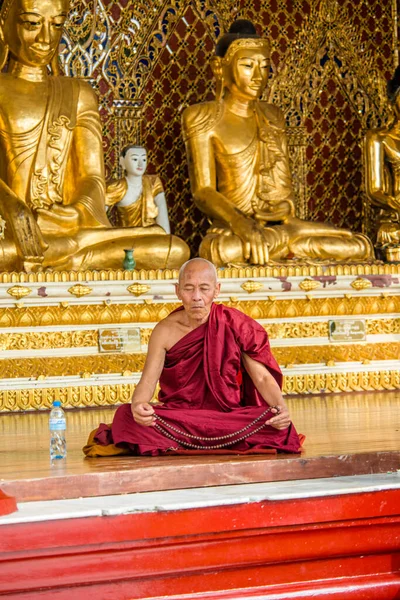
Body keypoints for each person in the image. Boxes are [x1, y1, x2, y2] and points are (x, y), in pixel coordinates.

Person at [0, 0, 189, 271]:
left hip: (71, 233)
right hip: (11, 234)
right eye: (31, 24)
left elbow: (91, 178)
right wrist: (11, 208)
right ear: (4, 27)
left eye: (56, 25)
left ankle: (72, 261)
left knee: (171, 247)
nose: (45, 38)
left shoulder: (78, 93)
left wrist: (75, 213)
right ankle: (70, 260)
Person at [182, 20, 373, 266]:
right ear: (220, 68)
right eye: (248, 66)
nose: (259, 76)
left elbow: (283, 190)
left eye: (264, 66)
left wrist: (284, 208)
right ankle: (287, 241)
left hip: (279, 230)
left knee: (358, 245)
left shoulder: (273, 116)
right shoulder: (201, 117)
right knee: (220, 250)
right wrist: (242, 223)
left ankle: (293, 239)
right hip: (235, 233)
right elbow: (203, 191)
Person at [84, 258, 303, 457]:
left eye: (204, 288)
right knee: (126, 416)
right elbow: (148, 381)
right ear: (178, 291)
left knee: (274, 422)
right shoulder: (165, 330)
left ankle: (185, 442)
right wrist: (139, 406)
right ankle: (215, 442)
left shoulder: (233, 324)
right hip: (180, 416)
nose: (197, 297)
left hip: (226, 417)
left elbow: (262, 378)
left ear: (216, 290)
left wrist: (281, 408)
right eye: (189, 289)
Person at [364, 65, 400, 254]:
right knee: (389, 233)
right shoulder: (379, 138)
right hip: (395, 216)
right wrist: (396, 204)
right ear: (393, 101)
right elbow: (374, 190)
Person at [106, 145, 171, 233]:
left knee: (176, 245)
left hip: (152, 238)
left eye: (144, 160)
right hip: (127, 239)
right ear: (122, 162)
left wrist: (166, 242)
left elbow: (163, 224)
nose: (140, 164)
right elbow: (98, 218)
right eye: (135, 159)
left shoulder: (153, 182)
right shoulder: (116, 187)